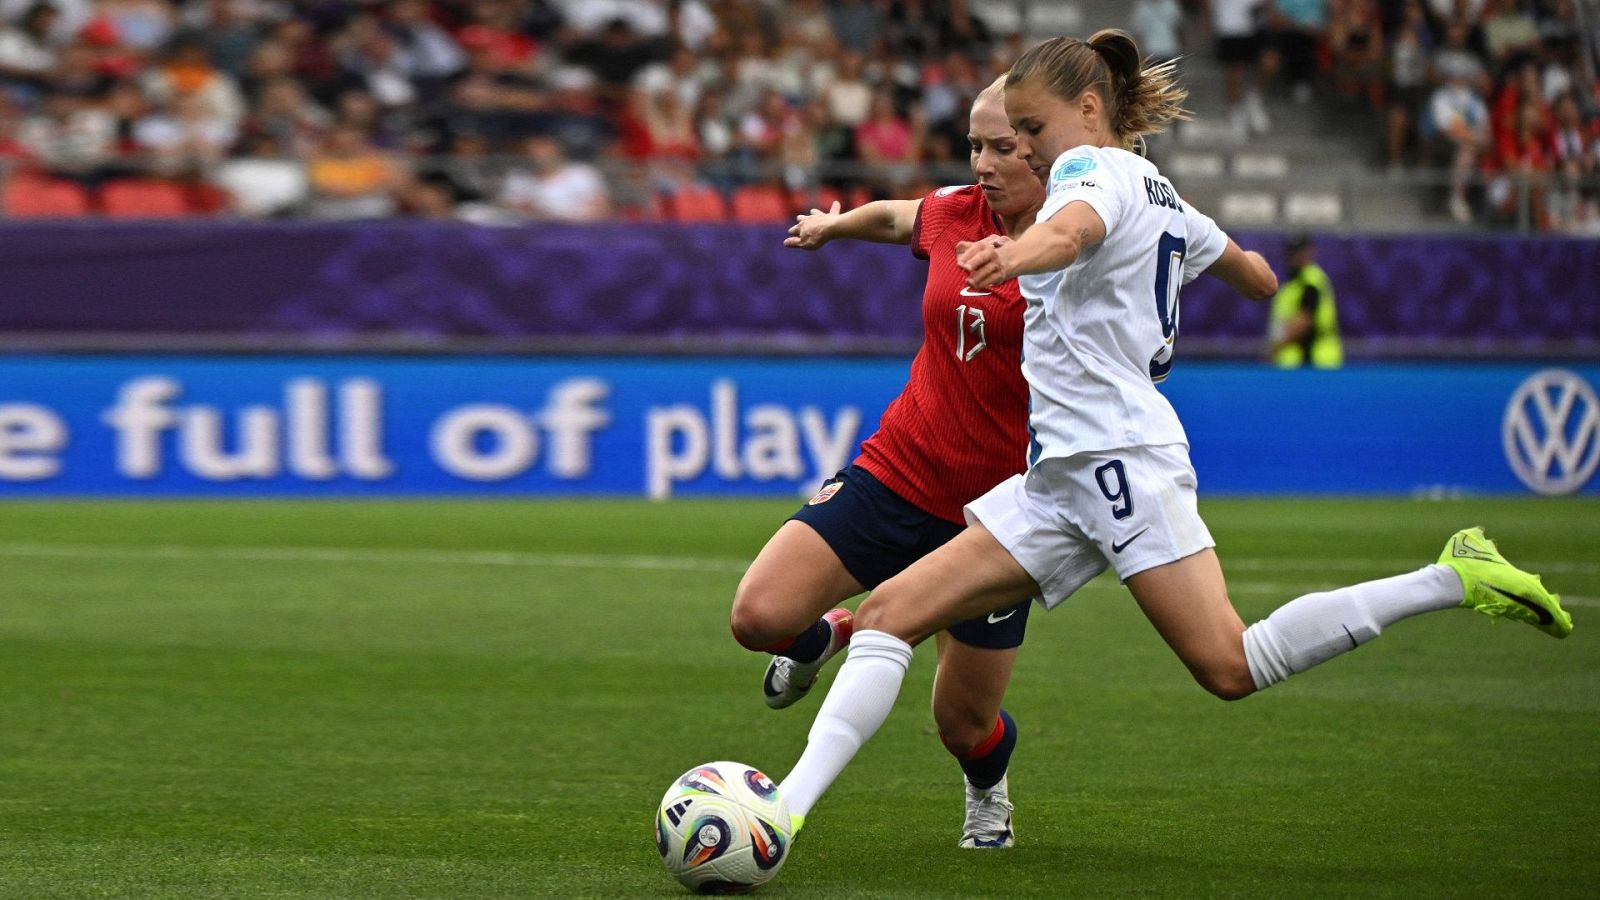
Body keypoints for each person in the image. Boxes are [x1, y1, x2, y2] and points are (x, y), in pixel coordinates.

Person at [775, 29, 1571, 843]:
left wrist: (1017, 255)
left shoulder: (1086, 172)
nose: (1026, 151)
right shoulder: (1160, 191)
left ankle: (1449, 576)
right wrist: (1244, 276)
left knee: (1231, 664)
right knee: (886, 617)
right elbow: (1253, 271)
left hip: (1121, 463)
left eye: (1031, 132)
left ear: (1088, 111)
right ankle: (781, 810)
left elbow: (1072, 230)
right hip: (1057, 478)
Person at [730, 76, 1045, 849]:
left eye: (1002, 147)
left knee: (961, 723)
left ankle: (987, 789)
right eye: (975, 144)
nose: (983, 162)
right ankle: (814, 639)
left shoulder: (1086, 240)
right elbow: (899, 214)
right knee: (759, 616)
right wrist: (835, 228)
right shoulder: (954, 213)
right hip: (901, 468)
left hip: (998, 514)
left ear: (1050, 146)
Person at [1267, 233, 1342, 368]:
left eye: (1301, 251)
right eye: (1293, 252)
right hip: (1294, 361)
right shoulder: (1291, 284)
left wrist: (1275, 350)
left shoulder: (1311, 281)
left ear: (1310, 252)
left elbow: (1304, 321)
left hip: (1315, 361)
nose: (1297, 256)